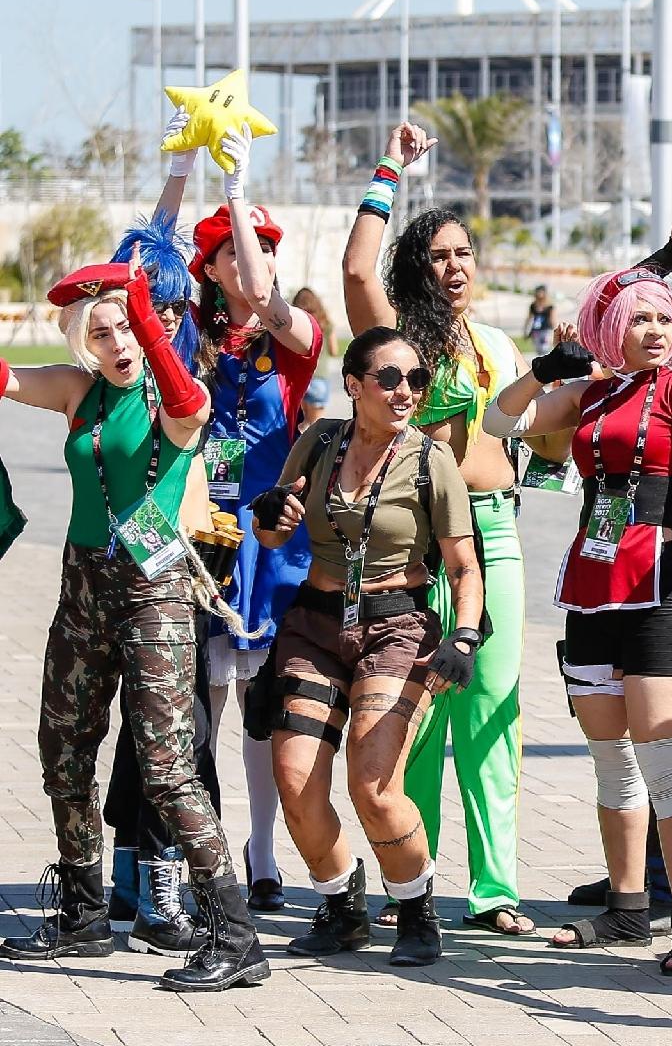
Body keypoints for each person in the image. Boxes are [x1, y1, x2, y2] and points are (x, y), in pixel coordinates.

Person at [0, 253, 267, 991]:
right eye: (103, 331)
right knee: (63, 747)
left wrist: (143, 310)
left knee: (168, 764)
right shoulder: (79, 390)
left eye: (126, 330)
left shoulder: (180, 399)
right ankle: (83, 912)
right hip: (83, 581)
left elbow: (181, 394)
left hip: (155, 591)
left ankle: (236, 936)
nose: (117, 343)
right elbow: (4, 379)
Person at [483, 265, 672, 974]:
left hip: (665, 579)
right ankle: (629, 912)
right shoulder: (587, 394)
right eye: (641, 319)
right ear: (611, 329)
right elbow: (498, 420)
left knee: (666, 759)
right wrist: (544, 369)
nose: (659, 331)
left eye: (666, 318)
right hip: (593, 580)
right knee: (612, 761)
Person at [343, 124, 558, 937]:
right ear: (417, 268)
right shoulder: (399, 339)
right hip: (416, 548)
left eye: (464, 252)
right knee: (414, 720)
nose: (455, 266)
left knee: (493, 713)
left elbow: (539, 436)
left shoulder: (500, 344)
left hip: (494, 538)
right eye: (438, 255)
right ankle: (415, 884)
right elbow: (355, 267)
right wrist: (391, 168)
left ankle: (496, 889)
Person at [251, 326, 483, 967]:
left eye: (415, 380)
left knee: (374, 785)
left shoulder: (430, 460)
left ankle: (415, 907)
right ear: (354, 385)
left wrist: (463, 635)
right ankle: (341, 905)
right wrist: (270, 516)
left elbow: (464, 565)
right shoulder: (320, 440)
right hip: (316, 624)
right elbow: (272, 537)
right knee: (295, 782)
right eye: (389, 378)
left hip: (396, 627)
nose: (405, 390)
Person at [189, 128, 325, 917]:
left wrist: (241, 191)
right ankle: (199, 861)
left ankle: (264, 855)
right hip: (202, 537)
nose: (255, 259)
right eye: (238, 251)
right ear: (210, 268)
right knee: (197, 709)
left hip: (274, 542)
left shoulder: (292, 340)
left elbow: (277, 307)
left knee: (267, 708)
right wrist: (187, 175)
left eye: (267, 248)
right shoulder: (191, 339)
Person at [98, 118, 219, 958]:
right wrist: (175, 168)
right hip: (112, 570)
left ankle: (152, 883)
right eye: (156, 306)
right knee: (147, 737)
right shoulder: (115, 361)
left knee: (179, 738)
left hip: (181, 564)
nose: (165, 317)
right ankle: (134, 881)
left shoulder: (184, 368)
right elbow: (135, 263)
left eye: (179, 306)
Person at [291, 287, 340, 429]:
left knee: (300, 426)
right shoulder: (326, 324)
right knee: (317, 428)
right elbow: (334, 351)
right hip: (319, 378)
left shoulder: (294, 323)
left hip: (298, 379)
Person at [526, 285, 556, 356]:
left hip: (546, 330)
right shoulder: (533, 306)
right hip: (536, 330)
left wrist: (554, 331)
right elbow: (529, 318)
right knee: (538, 349)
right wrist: (526, 329)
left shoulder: (549, 306)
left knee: (545, 349)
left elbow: (553, 319)